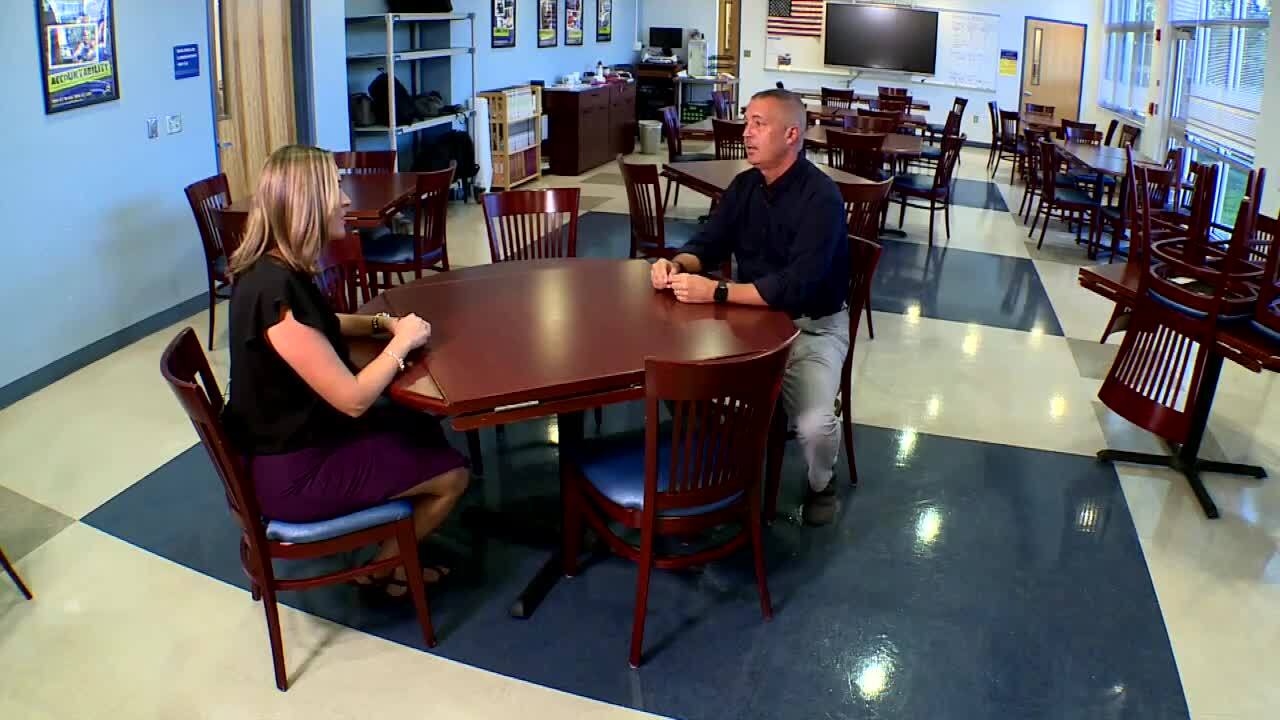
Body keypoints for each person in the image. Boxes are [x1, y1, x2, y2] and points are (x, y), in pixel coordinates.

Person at [224, 145, 470, 598]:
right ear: (307, 203)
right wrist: (401, 343)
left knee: (418, 426)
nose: (345, 200)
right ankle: (380, 570)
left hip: (283, 449)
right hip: (294, 475)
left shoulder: (269, 272)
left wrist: (380, 323)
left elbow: (324, 324)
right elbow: (354, 400)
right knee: (454, 477)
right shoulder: (278, 292)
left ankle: (393, 539)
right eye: (334, 188)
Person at [651, 89, 850, 526]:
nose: (746, 132)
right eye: (747, 121)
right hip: (750, 321)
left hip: (810, 328)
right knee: (679, 380)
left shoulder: (822, 199)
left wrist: (717, 293)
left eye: (759, 123)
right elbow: (709, 243)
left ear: (792, 134)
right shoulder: (745, 187)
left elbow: (795, 286)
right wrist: (675, 263)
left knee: (815, 425)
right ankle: (724, 461)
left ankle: (822, 483)